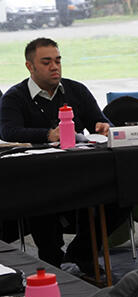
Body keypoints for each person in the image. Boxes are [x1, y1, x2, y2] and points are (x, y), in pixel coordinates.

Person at [0, 37, 126, 275]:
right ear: (30, 66)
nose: (54, 66)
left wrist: (104, 127)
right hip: (38, 175)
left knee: (120, 192)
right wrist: (48, 134)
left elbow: (101, 121)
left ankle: (82, 253)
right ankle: (52, 258)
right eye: (46, 62)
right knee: (40, 195)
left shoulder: (76, 90)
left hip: (81, 170)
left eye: (57, 60)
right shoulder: (15, 97)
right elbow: (8, 130)